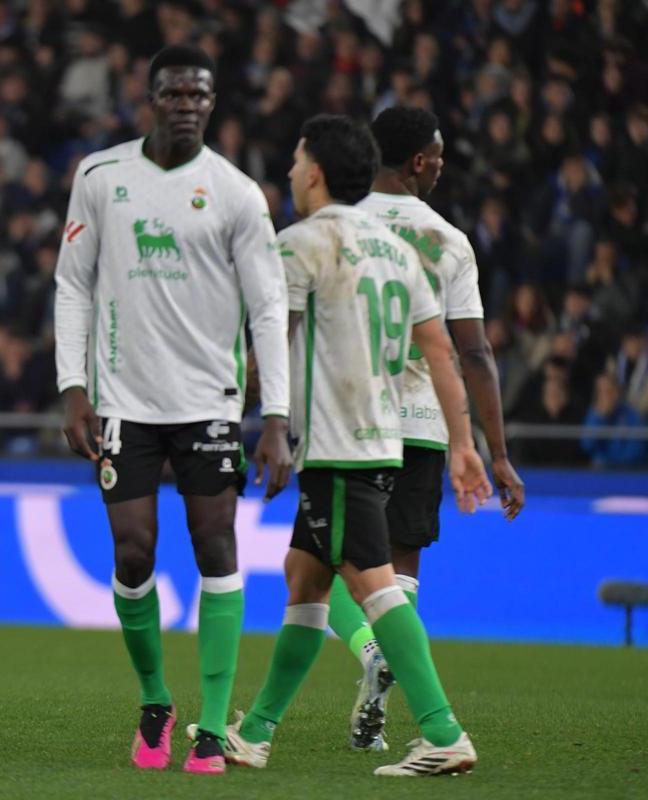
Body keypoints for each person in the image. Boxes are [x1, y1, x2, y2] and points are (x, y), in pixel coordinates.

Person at [204, 115, 491, 777]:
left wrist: (244, 414)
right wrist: (463, 442)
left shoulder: (301, 245)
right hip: (381, 437)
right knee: (304, 580)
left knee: (374, 586)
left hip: (333, 445)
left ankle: (444, 732)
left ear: (318, 172)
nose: (289, 172)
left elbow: (273, 343)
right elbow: (441, 351)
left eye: (297, 160)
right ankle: (258, 732)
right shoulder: (399, 250)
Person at [54, 44, 292, 775]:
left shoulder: (236, 192)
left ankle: (214, 728)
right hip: (124, 401)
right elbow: (74, 284)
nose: (186, 105)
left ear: (211, 104)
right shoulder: (100, 176)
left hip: (211, 404)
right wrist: (73, 386)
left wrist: (276, 416)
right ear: (150, 97)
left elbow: (268, 306)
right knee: (132, 552)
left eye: (199, 96)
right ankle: (156, 701)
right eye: (174, 93)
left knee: (216, 544)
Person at [326, 105, 526, 751]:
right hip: (423, 425)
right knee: (399, 576)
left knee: (328, 571)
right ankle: (391, 688)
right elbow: (475, 355)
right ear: (418, 161)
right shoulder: (447, 241)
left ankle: (370, 655)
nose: (441, 164)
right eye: (438, 154)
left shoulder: (339, 226)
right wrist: (496, 453)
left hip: (349, 423)